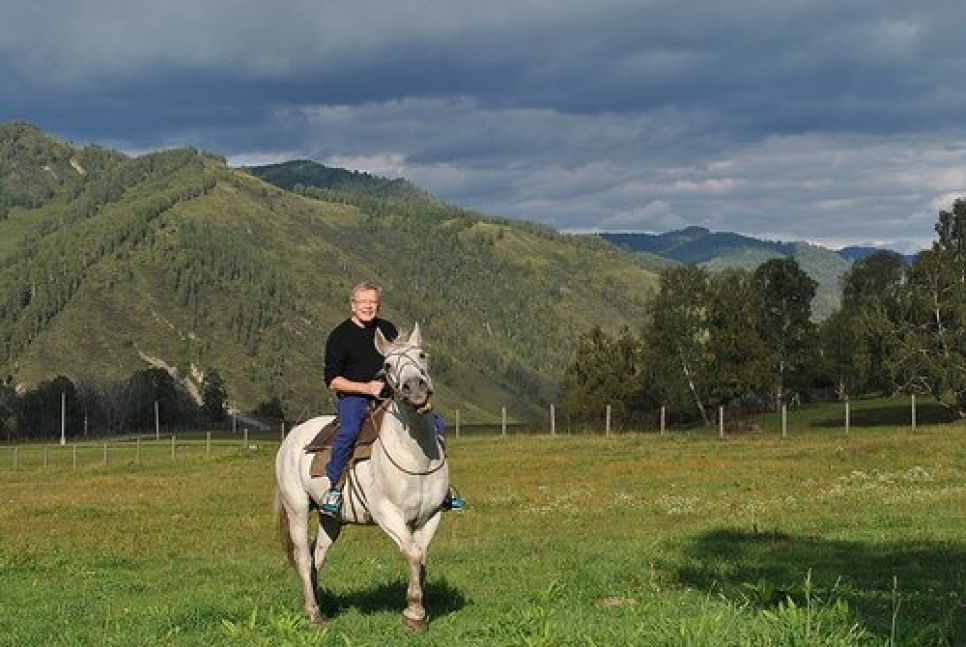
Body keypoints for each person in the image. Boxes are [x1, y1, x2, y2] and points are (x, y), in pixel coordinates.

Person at [320, 282, 463, 516]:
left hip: (391, 395)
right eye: (363, 302)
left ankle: (442, 490)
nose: (368, 307)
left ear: (378, 305)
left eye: (372, 302)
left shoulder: (387, 329)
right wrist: (366, 388)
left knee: (436, 424)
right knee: (348, 431)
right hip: (355, 398)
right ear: (353, 305)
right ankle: (334, 488)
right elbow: (332, 380)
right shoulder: (339, 336)